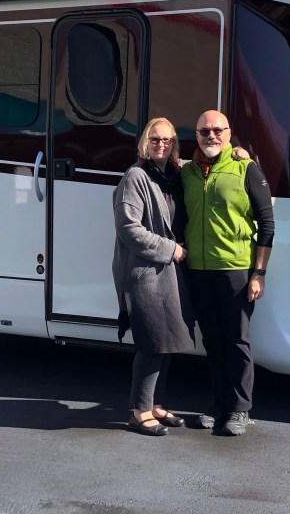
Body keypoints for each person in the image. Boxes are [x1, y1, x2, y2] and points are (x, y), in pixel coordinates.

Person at [182, 110, 275, 436]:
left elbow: (267, 223)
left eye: (217, 130)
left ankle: (240, 408)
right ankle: (219, 405)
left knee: (237, 341)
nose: (211, 135)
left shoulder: (245, 168)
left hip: (236, 270)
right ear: (196, 135)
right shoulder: (187, 172)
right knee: (212, 341)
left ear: (229, 132)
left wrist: (259, 273)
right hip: (199, 270)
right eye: (204, 131)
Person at [111, 117, 195, 436]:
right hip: (145, 273)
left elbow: (209, 159)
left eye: (167, 140)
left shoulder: (174, 173)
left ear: (174, 143)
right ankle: (138, 411)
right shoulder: (135, 176)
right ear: (145, 142)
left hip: (170, 273)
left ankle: (155, 404)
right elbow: (128, 228)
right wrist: (170, 248)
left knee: (167, 340)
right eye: (155, 139)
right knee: (152, 342)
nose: (161, 144)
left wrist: (240, 154)